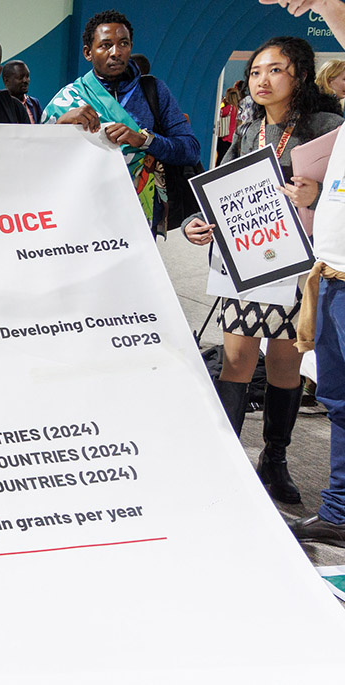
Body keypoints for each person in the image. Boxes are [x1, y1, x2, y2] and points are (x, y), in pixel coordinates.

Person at [183, 36, 343, 506]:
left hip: (302, 266)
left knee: (284, 364)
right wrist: (200, 224)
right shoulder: (249, 127)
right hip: (250, 265)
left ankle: (275, 459)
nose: (261, 80)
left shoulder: (328, 127)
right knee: (236, 361)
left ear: (299, 73)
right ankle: (230, 458)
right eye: (255, 72)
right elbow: (221, 190)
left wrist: (317, 197)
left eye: (274, 70)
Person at [263, 0, 345, 546]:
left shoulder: (325, 125)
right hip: (332, 273)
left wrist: (322, 2)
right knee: (338, 399)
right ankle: (338, 512)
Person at [43, 10, 200, 232]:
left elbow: (190, 150)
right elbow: (38, 161)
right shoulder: (68, 98)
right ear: (88, 52)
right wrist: (60, 125)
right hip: (82, 212)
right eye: (106, 45)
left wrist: (144, 140)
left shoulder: (154, 91)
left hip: (140, 215)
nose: (116, 52)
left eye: (123, 43)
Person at [216, 86, 240, 163]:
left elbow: (219, 113)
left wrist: (222, 103)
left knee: (220, 157)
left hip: (225, 136)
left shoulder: (229, 108)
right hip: (232, 137)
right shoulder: (238, 108)